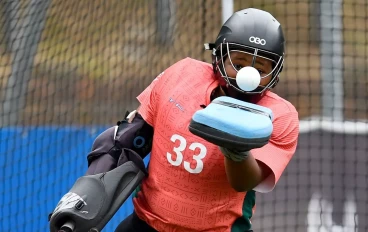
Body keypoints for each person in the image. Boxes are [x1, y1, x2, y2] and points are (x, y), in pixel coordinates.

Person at [52, 8, 299, 232]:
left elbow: (244, 181)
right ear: (219, 56)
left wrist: (236, 151)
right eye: (240, 62)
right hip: (145, 225)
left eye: (262, 67)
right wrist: (83, 199)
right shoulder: (182, 75)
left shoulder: (279, 116)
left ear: (275, 72)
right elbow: (129, 140)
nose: (249, 75)